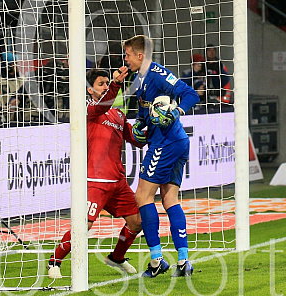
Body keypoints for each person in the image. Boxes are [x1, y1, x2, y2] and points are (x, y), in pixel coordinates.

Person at [47, 66, 145, 279]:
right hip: (95, 179)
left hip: (117, 180)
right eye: (101, 84)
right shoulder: (87, 109)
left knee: (137, 221)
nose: (105, 86)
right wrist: (116, 84)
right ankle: (55, 260)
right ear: (90, 90)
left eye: (107, 83)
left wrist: (155, 127)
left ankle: (117, 257)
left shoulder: (118, 114)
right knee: (85, 225)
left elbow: (136, 140)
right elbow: (101, 107)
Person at [123, 35, 200, 278]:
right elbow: (146, 109)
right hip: (174, 142)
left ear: (139, 55)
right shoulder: (141, 78)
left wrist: (176, 112)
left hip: (166, 143)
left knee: (143, 196)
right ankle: (183, 260)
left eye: (127, 54)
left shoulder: (157, 73)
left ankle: (156, 260)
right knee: (169, 199)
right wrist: (138, 123)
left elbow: (190, 95)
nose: (124, 59)